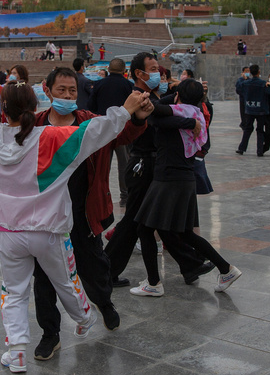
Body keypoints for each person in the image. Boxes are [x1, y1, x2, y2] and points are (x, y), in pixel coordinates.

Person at [0, 82, 148, 372]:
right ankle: (85, 318)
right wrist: (126, 110)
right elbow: (96, 131)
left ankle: (17, 351)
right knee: (66, 281)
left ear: (3, 111)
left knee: (14, 291)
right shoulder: (53, 138)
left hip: (8, 233)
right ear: (36, 108)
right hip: (49, 232)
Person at [31, 68, 148, 360]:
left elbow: (121, 133)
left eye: (72, 90)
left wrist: (137, 118)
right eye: (62, 90)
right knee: (44, 277)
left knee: (94, 264)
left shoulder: (89, 122)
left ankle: (104, 303)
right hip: (44, 217)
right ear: (47, 90)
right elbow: (4, 143)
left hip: (85, 211)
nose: (68, 96)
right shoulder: (33, 126)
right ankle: (50, 334)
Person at [103, 52, 213, 288]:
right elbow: (155, 119)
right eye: (153, 69)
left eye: (159, 69)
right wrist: (190, 122)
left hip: (156, 163)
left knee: (157, 221)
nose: (159, 73)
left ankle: (190, 265)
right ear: (139, 74)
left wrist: (183, 91)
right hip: (143, 164)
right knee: (135, 220)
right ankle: (106, 271)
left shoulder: (156, 95)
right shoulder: (137, 97)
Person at [131, 79, 240, 296]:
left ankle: (153, 284)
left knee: (144, 228)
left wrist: (177, 117)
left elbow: (154, 118)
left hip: (169, 178)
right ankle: (226, 269)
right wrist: (189, 123)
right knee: (185, 233)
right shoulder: (197, 114)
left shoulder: (175, 112)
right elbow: (160, 115)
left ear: (178, 96)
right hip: (184, 178)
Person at [89, 58, 134, 212]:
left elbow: (91, 107)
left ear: (108, 69)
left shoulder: (99, 84)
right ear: (124, 71)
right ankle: (125, 196)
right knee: (124, 164)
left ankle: (100, 195)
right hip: (122, 130)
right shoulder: (128, 85)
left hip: (103, 130)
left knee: (102, 165)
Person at [236, 64, 270, 156]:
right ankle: (259, 150)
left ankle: (242, 148)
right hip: (261, 110)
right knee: (260, 130)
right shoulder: (263, 84)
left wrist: (242, 79)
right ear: (259, 72)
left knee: (247, 129)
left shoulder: (246, 83)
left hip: (249, 109)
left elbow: (238, 89)